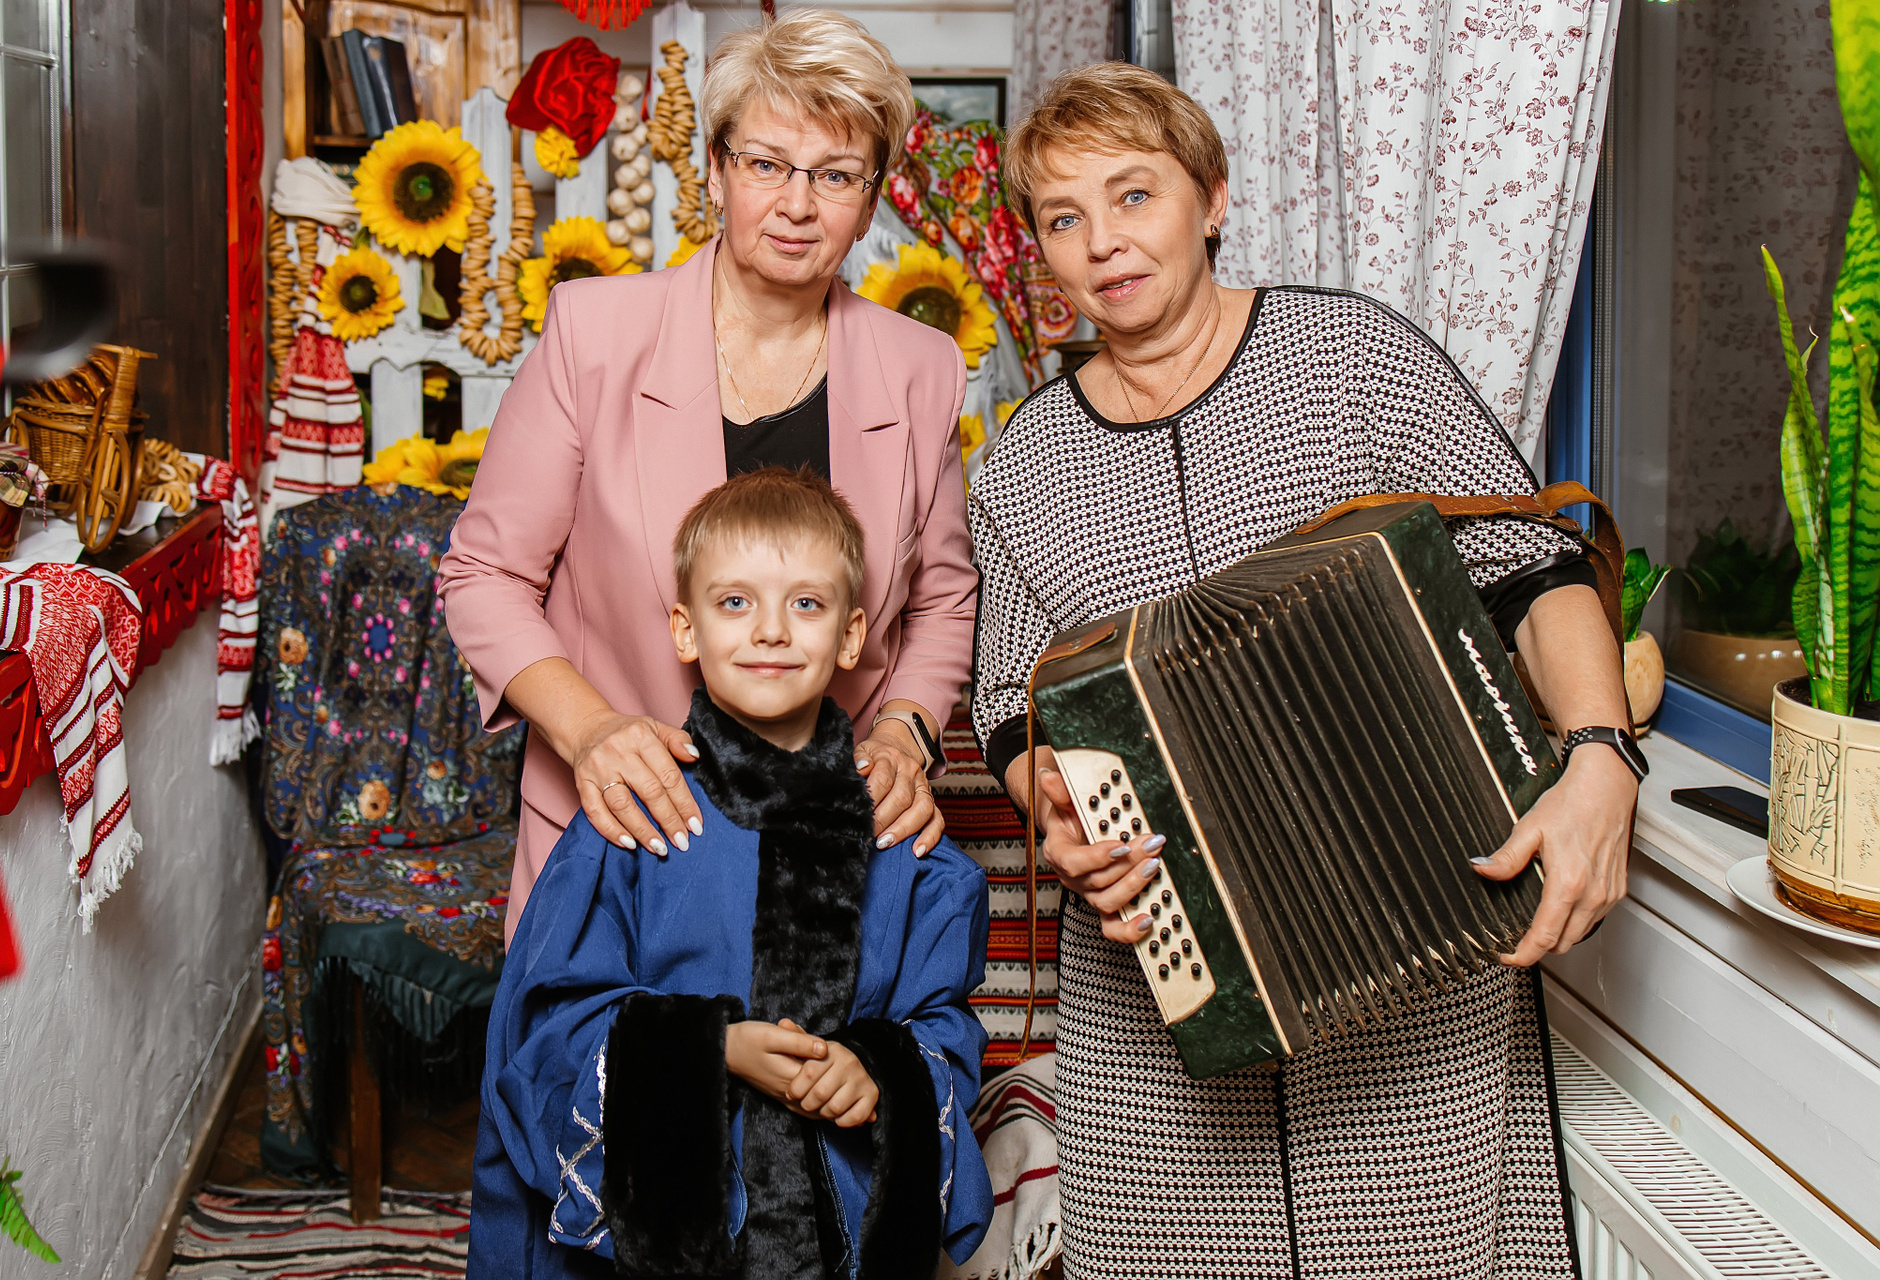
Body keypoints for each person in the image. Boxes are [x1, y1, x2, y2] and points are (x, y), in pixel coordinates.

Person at [969, 64, 1640, 1278]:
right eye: (1064, 217)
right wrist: (1052, 807)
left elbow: (1530, 568)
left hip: (1421, 973)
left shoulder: (1352, 357)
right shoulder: (1022, 465)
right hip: (1158, 1021)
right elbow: (1009, 701)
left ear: (1212, 197)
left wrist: (1601, 756)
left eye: (1135, 194)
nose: (1103, 240)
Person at [438, 10, 976, 943]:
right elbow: (485, 575)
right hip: (619, 836)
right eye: (767, 163)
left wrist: (905, 731)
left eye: (836, 175)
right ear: (718, 170)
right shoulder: (594, 333)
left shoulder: (920, 367)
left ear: (870, 200)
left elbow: (942, 598)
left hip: (827, 855)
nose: (798, 205)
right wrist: (590, 731)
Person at [468, 468, 993, 1279]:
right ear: (685, 630)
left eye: (806, 604)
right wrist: (711, 1049)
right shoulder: (631, 821)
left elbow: (944, 1029)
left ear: (852, 636)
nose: (771, 631)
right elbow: (544, 1033)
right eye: (736, 602)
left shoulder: (903, 842)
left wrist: (878, 1073)